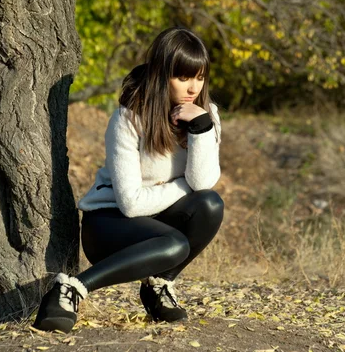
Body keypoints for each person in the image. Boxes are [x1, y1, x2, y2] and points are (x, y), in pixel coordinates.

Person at [32, 27, 224, 333]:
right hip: (109, 224)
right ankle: (70, 289)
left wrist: (200, 127)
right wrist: (182, 187)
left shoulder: (205, 115)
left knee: (211, 205)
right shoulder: (129, 119)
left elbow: (203, 186)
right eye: (183, 77)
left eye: (199, 77)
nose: (193, 88)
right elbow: (131, 204)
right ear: (162, 75)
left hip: (157, 219)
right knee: (175, 243)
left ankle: (157, 287)